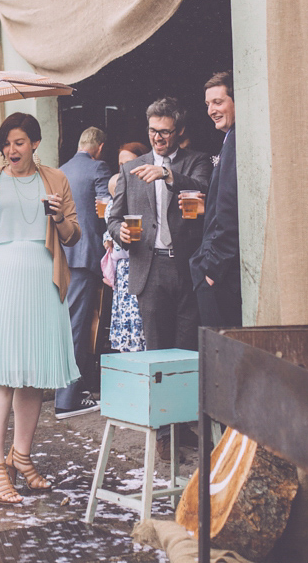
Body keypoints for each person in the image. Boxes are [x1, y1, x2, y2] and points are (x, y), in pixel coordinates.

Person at [0, 112, 81, 504]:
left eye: (18, 142)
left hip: (43, 282)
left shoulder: (56, 180)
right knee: (0, 374)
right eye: (6, 143)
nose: (11, 150)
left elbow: (72, 235)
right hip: (0, 279)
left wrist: (59, 216)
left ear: (34, 144)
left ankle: (23, 457)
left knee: (32, 376)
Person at [107, 97, 212, 459]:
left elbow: (203, 190)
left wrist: (168, 175)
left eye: (165, 132)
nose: (157, 139)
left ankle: (184, 428)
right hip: (148, 270)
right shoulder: (132, 168)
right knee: (157, 354)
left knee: (185, 354)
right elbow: (113, 215)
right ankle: (164, 435)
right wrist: (119, 230)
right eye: (152, 131)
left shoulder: (194, 162)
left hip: (184, 267)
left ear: (178, 131)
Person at [54, 127, 112, 419]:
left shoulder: (61, 171)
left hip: (62, 256)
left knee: (67, 324)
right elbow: (105, 208)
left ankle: (74, 388)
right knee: (78, 327)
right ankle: (67, 398)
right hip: (85, 255)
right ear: (99, 148)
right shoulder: (98, 167)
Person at [189, 72, 242, 329]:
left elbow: (230, 208)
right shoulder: (229, 139)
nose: (211, 110)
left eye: (218, 102)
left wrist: (212, 270)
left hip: (221, 274)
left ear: (237, 100)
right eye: (208, 104)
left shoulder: (235, 141)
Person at [105, 142, 150, 353]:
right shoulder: (117, 192)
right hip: (124, 270)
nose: (123, 168)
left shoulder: (149, 191)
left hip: (142, 265)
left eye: (128, 163)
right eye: (120, 163)